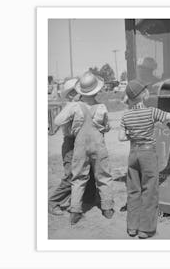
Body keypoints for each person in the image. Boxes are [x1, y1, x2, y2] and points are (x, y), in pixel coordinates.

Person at [118, 79, 170, 239]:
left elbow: (121, 137)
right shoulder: (151, 112)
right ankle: (145, 229)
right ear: (143, 95)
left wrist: (134, 134)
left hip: (133, 154)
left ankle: (132, 227)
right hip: (148, 154)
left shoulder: (125, 115)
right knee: (150, 191)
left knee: (133, 190)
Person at [57, 72, 114, 225]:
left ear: (81, 91)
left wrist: (72, 106)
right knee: (103, 176)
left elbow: (57, 120)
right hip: (98, 145)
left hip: (80, 146)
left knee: (78, 178)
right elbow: (107, 127)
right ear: (97, 90)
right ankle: (107, 208)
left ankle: (75, 211)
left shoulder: (75, 106)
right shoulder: (102, 107)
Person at [48, 78, 96, 215]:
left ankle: (88, 198)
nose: (81, 93)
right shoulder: (71, 106)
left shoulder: (81, 105)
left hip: (82, 142)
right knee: (71, 176)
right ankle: (53, 202)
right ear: (70, 95)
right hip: (71, 144)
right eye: (77, 91)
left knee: (89, 171)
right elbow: (57, 121)